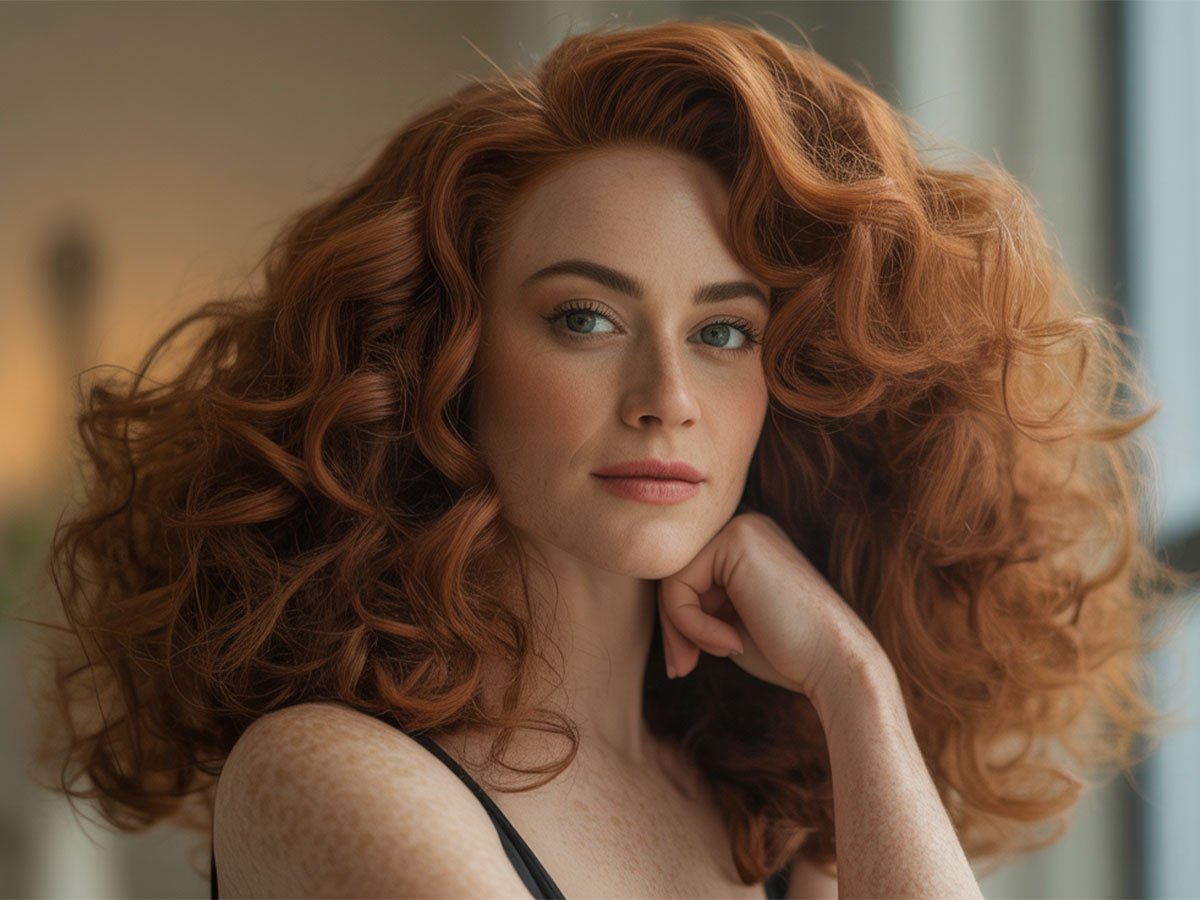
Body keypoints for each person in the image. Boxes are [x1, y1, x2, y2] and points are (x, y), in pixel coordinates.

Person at [29, 17, 1183, 900]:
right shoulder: (326, 776)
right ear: (445, 358)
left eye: (724, 333)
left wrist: (855, 686)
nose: (668, 399)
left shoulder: (767, 821)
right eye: (586, 319)